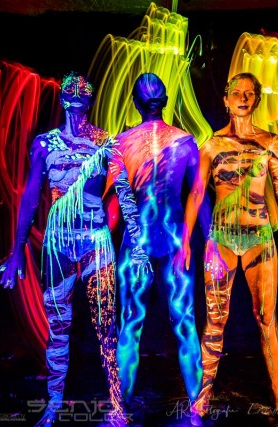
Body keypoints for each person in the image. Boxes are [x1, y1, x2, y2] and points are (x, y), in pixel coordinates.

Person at [0, 71, 145, 427]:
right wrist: (16, 251)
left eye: (84, 91)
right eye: (71, 91)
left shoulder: (105, 142)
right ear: (63, 98)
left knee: (106, 325)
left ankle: (117, 404)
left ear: (91, 99)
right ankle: (53, 404)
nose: (77, 95)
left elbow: (124, 193)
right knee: (58, 326)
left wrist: (138, 246)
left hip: (95, 240)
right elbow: (30, 198)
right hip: (59, 243)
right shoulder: (45, 144)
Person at [188, 72, 278, 420]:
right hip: (222, 239)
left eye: (249, 93)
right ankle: (204, 392)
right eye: (236, 93)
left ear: (256, 100)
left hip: (259, 238)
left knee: (267, 317)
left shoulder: (270, 143)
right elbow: (196, 193)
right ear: (226, 99)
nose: (242, 98)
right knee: (215, 319)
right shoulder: (211, 145)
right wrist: (184, 241)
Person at [105, 72, 204, 418]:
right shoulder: (185, 142)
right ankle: (197, 404)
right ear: (164, 102)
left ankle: (121, 407)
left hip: (139, 239)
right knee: (184, 322)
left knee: (130, 324)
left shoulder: (121, 143)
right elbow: (197, 193)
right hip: (174, 238)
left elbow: (120, 202)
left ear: (135, 103)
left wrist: (104, 237)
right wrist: (193, 237)